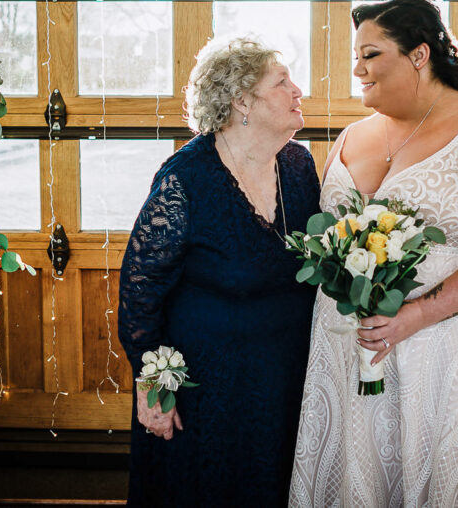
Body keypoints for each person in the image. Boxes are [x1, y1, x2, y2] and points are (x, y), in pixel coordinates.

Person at [289, 0, 458, 507]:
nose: (357, 69)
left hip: (455, 351)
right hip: (350, 357)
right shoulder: (352, 136)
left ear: (419, 55)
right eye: (355, 57)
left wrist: (417, 314)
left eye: (371, 54)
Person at [119, 36, 320, 507]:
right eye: (282, 81)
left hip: (285, 374)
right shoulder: (186, 179)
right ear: (242, 100)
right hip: (207, 386)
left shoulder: (299, 164)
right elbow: (140, 291)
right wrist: (151, 385)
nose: (298, 91)